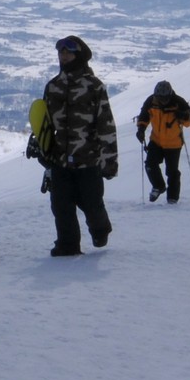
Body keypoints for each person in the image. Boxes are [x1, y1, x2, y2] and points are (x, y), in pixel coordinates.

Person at [40, 35, 117, 255]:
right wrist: (41, 147)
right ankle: (68, 244)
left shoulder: (94, 87)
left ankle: (100, 229)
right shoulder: (53, 86)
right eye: (60, 52)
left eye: (68, 52)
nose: (63, 56)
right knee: (61, 205)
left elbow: (106, 125)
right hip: (59, 159)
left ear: (79, 55)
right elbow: (43, 123)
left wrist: (109, 161)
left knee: (92, 204)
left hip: (88, 159)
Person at [135, 80, 190, 203]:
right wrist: (141, 129)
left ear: (170, 95)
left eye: (165, 98)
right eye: (160, 98)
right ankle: (159, 186)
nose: (162, 101)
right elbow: (144, 116)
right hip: (156, 140)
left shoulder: (178, 102)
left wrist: (183, 116)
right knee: (150, 165)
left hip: (173, 143)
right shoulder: (151, 101)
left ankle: (172, 198)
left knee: (172, 172)